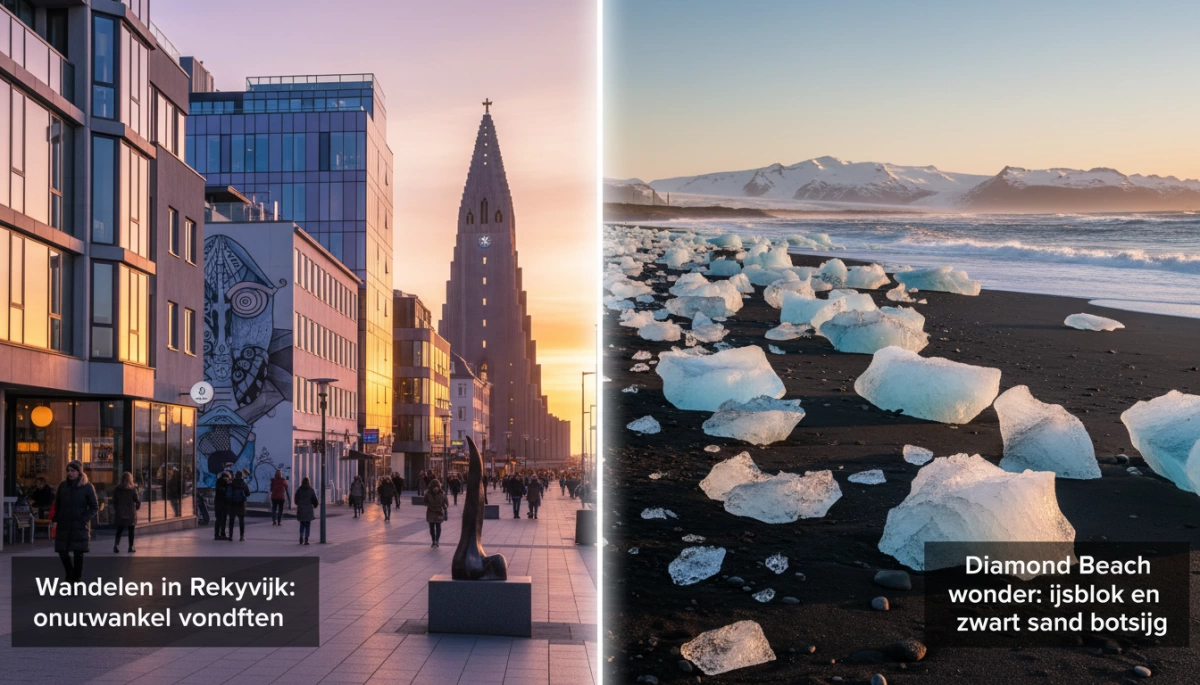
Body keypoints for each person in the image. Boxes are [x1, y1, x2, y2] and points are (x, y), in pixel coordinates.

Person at [53, 460, 98, 582]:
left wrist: (84, 518)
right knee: (62, 551)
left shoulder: (87, 487)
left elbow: (94, 506)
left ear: (79, 472)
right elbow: (58, 504)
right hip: (64, 524)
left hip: (79, 525)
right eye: (68, 471)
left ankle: (76, 577)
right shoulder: (63, 486)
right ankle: (69, 573)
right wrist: (55, 520)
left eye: (72, 471)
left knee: (78, 553)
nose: (70, 473)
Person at [112, 472, 140, 553]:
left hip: (120, 513)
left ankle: (116, 545)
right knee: (131, 530)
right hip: (130, 513)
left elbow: (114, 501)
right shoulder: (133, 489)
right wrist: (137, 506)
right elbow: (136, 500)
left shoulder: (117, 489)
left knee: (119, 530)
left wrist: (116, 509)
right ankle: (131, 546)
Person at [225, 470, 250, 541]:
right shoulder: (244, 484)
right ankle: (241, 536)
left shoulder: (232, 483)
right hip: (241, 505)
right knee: (241, 521)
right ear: (241, 476)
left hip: (232, 505)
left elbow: (228, 494)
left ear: (235, 476)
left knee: (231, 520)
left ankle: (230, 536)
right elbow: (248, 494)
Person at [294, 477, 318, 545]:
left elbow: (296, 499)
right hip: (308, 509)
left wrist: (298, 503)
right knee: (307, 525)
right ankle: (306, 539)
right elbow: (314, 499)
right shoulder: (311, 490)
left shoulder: (299, 490)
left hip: (301, 509)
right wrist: (315, 505)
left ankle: (301, 536)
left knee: (302, 524)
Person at [423, 479, 447, 547]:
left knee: (438, 526)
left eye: (437, 487)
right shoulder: (428, 494)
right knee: (432, 527)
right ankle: (433, 540)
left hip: (439, 512)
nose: (436, 488)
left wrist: (445, 505)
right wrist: (428, 504)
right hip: (431, 512)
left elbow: (446, 502)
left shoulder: (442, 494)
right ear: (432, 487)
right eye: (434, 487)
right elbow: (425, 501)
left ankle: (437, 540)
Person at [213, 470, 231, 540]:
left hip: (218, 504)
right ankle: (222, 534)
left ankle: (217, 534)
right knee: (223, 520)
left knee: (219, 519)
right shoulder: (225, 484)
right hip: (224, 504)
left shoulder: (218, 482)